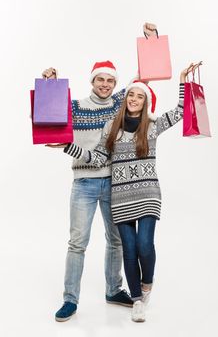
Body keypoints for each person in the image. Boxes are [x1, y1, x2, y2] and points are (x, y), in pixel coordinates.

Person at [62, 62, 201, 322]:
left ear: (145, 101)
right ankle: (132, 299)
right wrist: (66, 146)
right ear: (123, 99)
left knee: (143, 245)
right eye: (131, 95)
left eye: (140, 96)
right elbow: (96, 157)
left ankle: (140, 285)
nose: (135, 99)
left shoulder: (152, 125)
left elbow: (181, 110)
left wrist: (182, 81)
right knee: (120, 247)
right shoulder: (109, 127)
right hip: (119, 195)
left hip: (147, 194)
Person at [43, 22, 158, 322]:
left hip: (116, 184)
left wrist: (151, 40)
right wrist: (50, 85)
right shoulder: (76, 107)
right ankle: (70, 299)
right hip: (83, 182)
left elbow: (142, 80)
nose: (106, 84)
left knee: (116, 240)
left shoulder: (122, 104)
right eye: (100, 80)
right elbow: (47, 112)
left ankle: (112, 289)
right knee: (77, 243)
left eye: (110, 80)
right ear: (92, 81)